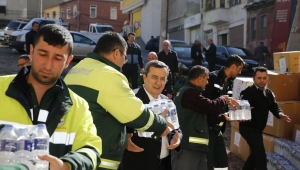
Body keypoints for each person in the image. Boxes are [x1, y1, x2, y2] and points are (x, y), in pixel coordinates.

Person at [0, 24, 102, 170]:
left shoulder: (78, 106)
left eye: (58, 58)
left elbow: (91, 149)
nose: (48, 65)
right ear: (31, 51)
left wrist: (66, 165)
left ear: (68, 61)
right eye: (43, 54)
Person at [64, 32, 171, 170]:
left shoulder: (76, 70)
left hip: (73, 156)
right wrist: (161, 124)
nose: (123, 63)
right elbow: (135, 114)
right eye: (124, 58)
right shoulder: (109, 74)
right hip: (99, 159)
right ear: (116, 53)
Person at [172, 65, 239, 170]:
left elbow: (204, 118)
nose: (207, 83)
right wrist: (223, 99)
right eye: (206, 79)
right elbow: (209, 106)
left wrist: (223, 117)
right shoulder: (189, 92)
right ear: (199, 78)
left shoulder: (191, 92)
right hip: (188, 148)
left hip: (196, 148)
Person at [122, 60, 182, 170]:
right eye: (154, 77)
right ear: (144, 77)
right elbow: (117, 127)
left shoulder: (168, 102)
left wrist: (176, 138)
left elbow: (176, 128)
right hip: (137, 164)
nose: (159, 82)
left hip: (164, 164)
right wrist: (124, 140)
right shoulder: (131, 99)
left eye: (163, 79)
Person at [239, 67, 291, 170]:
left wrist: (280, 114)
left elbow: (274, 106)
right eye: (259, 78)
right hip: (248, 129)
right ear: (253, 78)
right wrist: (244, 111)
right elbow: (239, 110)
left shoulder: (268, 93)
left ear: (267, 78)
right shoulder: (247, 93)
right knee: (261, 158)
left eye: (264, 78)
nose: (262, 81)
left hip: (258, 129)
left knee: (255, 155)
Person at [202, 54, 245, 170]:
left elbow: (227, 103)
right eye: (239, 69)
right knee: (208, 162)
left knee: (222, 162)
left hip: (219, 129)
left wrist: (241, 110)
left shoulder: (230, 83)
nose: (240, 72)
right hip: (208, 127)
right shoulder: (212, 78)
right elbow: (205, 102)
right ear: (233, 67)